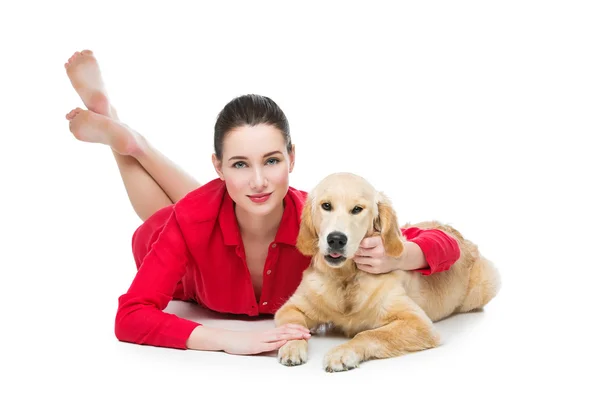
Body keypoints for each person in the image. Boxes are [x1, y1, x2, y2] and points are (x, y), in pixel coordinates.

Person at [64, 50, 461, 355]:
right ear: (217, 166)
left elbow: (446, 245)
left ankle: (127, 135)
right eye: (239, 164)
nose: (258, 181)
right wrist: (224, 340)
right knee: (177, 214)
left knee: (214, 204)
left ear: (292, 157)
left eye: (272, 161)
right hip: (181, 257)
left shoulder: (322, 215)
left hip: (213, 209)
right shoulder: (189, 222)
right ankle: (128, 143)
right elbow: (130, 317)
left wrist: (400, 255)